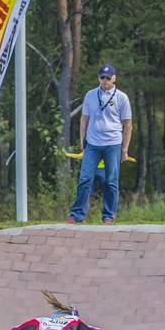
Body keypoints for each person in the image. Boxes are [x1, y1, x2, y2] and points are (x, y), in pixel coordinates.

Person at [67, 63, 132, 225]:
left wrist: (125, 149)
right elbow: (84, 119)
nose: (105, 80)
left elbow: (128, 125)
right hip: (93, 144)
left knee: (110, 181)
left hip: (113, 143)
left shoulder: (121, 97)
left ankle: (108, 215)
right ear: (99, 78)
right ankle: (78, 215)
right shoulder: (90, 95)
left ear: (114, 78)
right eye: (102, 77)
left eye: (108, 78)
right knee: (85, 178)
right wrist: (83, 141)